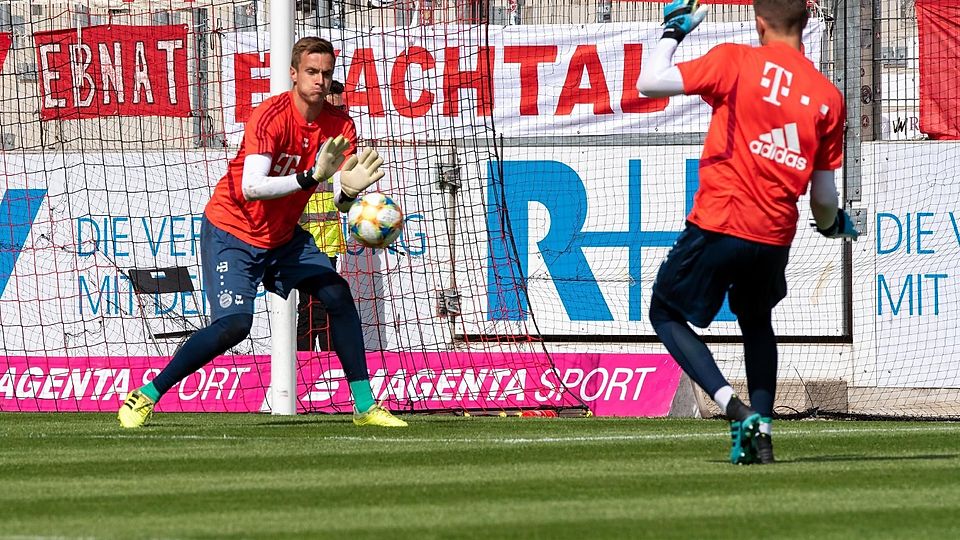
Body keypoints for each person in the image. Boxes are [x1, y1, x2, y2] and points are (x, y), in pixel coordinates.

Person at [118, 37, 406, 428]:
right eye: (311, 72)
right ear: (293, 73)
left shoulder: (340, 125)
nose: (320, 80)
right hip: (233, 229)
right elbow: (253, 186)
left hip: (284, 236)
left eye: (326, 73)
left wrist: (349, 192)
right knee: (235, 326)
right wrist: (309, 177)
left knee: (337, 294)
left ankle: (365, 406)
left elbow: (338, 198)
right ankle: (146, 395)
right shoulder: (271, 116)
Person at [638, 0, 858, 464]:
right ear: (804, 22)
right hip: (775, 234)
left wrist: (672, 33)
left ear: (759, 23)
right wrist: (833, 225)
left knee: (665, 313)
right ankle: (762, 429)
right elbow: (823, 198)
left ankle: (732, 407)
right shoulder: (827, 97)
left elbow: (649, 83)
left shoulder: (736, 60)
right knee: (756, 320)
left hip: (721, 220)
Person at [297, 80, 347, 352]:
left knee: (326, 306)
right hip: (304, 241)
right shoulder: (308, 139)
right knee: (308, 307)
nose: (339, 105)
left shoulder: (339, 141)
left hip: (327, 241)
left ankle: (328, 359)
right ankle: (303, 360)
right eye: (334, 99)